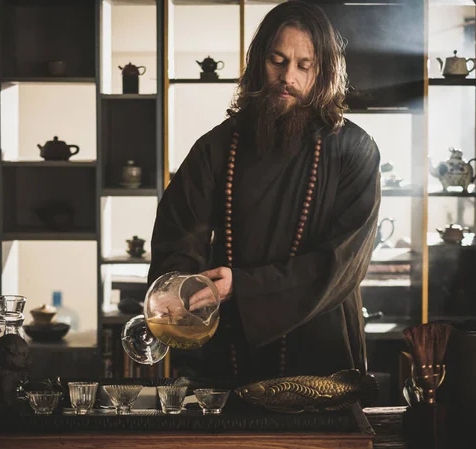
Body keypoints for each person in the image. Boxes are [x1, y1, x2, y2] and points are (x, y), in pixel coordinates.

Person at [148, 0, 381, 381]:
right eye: (277, 60)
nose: (288, 76)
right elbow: (180, 231)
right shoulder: (217, 147)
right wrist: (182, 286)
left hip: (322, 340)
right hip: (231, 339)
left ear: (323, 73)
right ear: (258, 62)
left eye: (304, 66)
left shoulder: (355, 149)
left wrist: (244, 285)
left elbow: (342, 262)